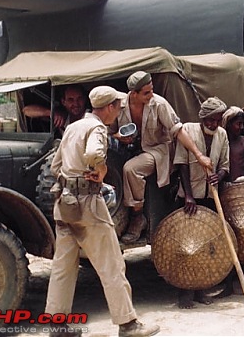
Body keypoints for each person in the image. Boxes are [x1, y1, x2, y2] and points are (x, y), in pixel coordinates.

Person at [45, 86, 159, 337]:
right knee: (112, 264)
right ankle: (128, 324)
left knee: (63, 267)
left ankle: (57, 325)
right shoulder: (97, 128)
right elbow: (94, 154)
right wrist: (99, 170)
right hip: (88, 205)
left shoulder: (73, 127)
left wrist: (75, 177)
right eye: (117, 107)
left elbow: (55, 166)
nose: (118, 111)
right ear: (109, 107)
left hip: (64, 204)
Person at [115, 71, 211, 244]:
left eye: (151, 90)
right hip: (128, 149)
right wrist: (118, 136)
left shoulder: (159, 104)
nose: (151, 95)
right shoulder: (119, 104)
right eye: (146, 92)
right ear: (133, 94)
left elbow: (178, 131)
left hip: (156, 151)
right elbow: (107, 129)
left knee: (131, 169)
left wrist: (199, 155)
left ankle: (138, 217)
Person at [173, 96, 230, 308]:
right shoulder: (187, 130)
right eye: (211, 119)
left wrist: (219, 176)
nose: (214, 124)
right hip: (189, 197)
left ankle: (199, 291)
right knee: (186, 246)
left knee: (205, 246)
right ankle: (184, 293)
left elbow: (225, 164)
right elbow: (182, 164)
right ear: (203, 117)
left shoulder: (222, 135)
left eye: (217, 120)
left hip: (209, 197)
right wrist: (188, 195)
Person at [215, 106, 244, 299]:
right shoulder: (221, 142)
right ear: (228, 124)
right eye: (237, 123)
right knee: (228, 238)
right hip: (226, 193)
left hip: (243, 194)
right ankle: (228, 284)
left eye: (242, 123)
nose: (241, 127)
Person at [22, 84, 88, 136]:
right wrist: (51, 113)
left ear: (84, 99)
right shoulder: (64, 117)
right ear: (63, 102)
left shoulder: (90, 117)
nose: (75, 103)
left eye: (79, 98)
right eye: (70, 99)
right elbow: (26, 110)